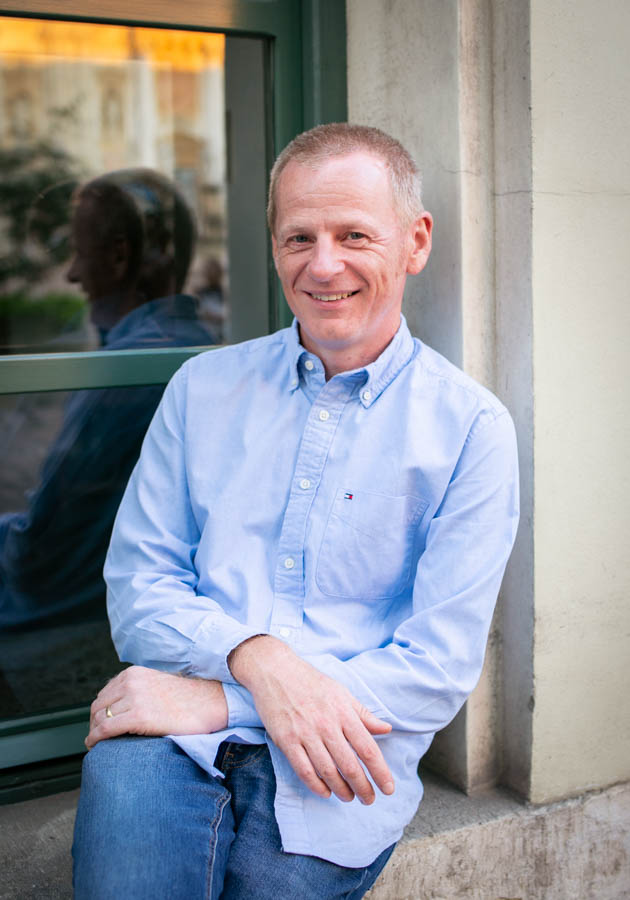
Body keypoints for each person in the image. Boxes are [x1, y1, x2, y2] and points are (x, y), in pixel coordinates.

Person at [72, 124, 519, 899]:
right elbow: (139, 587)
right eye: (299, 238)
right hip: (165, 745)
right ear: (275, 247)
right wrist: (259, 659)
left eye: (354, 235)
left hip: (338, 770)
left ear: (415, 242)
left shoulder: (471, 430)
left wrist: (224, 698)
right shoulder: (201, 390)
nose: (324, 265)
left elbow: (436, 667)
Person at [0, 169, 215, 714]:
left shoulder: (125, 373)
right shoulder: (199, 348)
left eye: (79, 252)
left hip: (68, 614)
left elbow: (38, 552)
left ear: (119, 257)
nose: (72, 274)